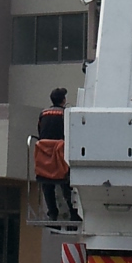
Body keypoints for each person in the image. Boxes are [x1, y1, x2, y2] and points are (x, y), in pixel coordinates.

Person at [33, 86, 80, 225]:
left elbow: (40, 131)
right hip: (61, 155)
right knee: (67, 184)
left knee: (47, 184)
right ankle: (74, 213)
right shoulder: (66, 114)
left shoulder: (43, 113)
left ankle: (52, 213)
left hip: (44, 155)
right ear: (63, 100)